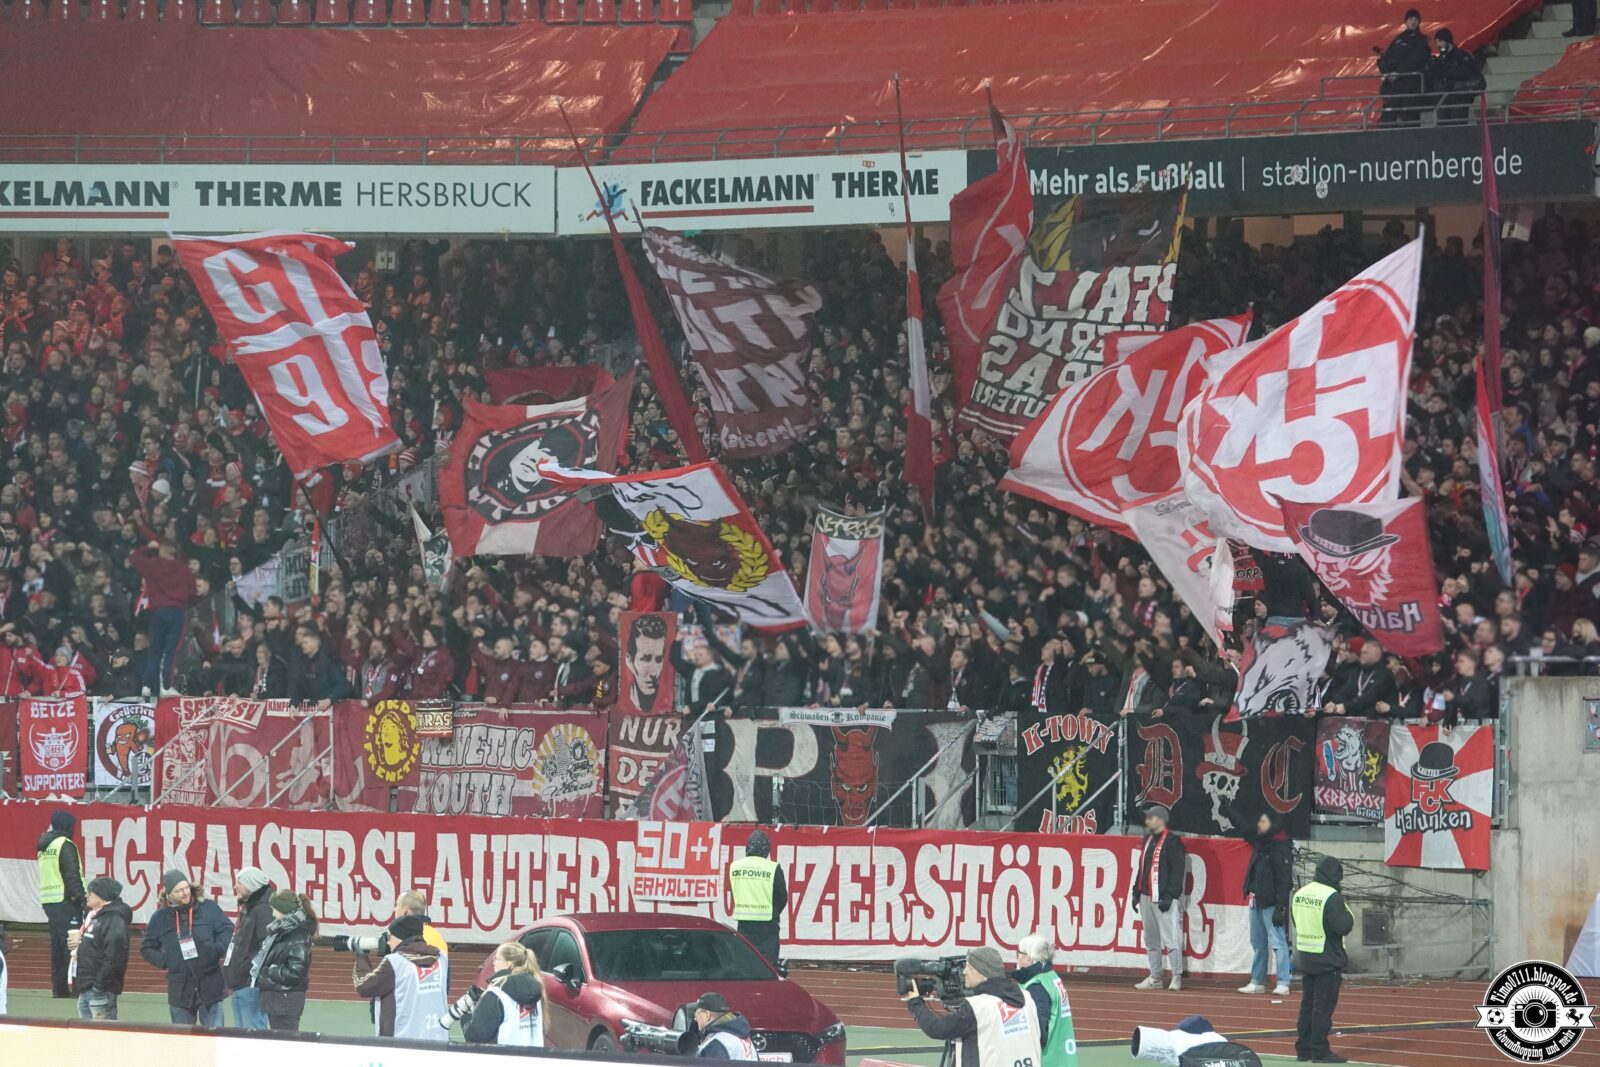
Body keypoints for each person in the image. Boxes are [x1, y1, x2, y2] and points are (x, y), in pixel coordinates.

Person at [903, 947, 1043, 1067]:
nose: (964, 972)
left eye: (969, 967)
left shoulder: (977, 1007)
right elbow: (1042, 1036)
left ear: (982, 973)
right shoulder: (1027, 997)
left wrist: (914, 1002)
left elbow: (936, 1029)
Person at [140, 869, 235, 1026]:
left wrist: (217, 950)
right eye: (178, 890)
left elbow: (226, 929)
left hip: (210, 985)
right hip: (180, 990)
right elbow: (147, 947)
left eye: (186, 888)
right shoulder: (160, 917)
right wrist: (167, 961)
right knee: (182, 1041)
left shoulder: (208, 908)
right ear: (169, 894)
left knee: (214, 1038)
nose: (185, 893)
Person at [1292, 856, 1354, 1064]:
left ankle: (1304, 1049)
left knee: (1307, 1006)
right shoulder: (1332, 896)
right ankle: (1320, 1051)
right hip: (1327, 959)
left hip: (1306, 957)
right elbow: (1343, 926)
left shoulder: (1300, 894)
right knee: (1322, 1008)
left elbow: (1295, 920)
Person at [353, 914, 448, 1041]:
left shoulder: (395, 962)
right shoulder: (441, 958)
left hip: (401, 1043)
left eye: (390, 937)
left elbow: (363, 986)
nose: (388, 941)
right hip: (437, 1039)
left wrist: (361, 958)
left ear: (400, 938)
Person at [1237, 812, 1293, 996]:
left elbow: (1285, 880)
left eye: (1262, 821)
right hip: (1256, 899)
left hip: (1270, 902)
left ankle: (1283, 981)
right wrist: (1229, 810)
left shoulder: (1281, 847)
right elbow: (1244, 829)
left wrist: (1280, 907)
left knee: (1278, 942)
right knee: (1258, 942)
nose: (1258, 825)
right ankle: (1257, 981)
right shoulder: (1260, 844)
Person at [1133, 805, 1187, 991]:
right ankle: (1156, 977)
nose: (1147, 821)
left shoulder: (1172, 842)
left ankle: (1176, 977)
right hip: (1146, 897)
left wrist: (1170, 895)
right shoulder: (1148, 840)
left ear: (1161, 820)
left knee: (1171, 939)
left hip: (1164, 898)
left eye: (1151, 818)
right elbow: (1142, 869)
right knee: (1151, 940)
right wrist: (1136, 893)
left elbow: (1177, 871)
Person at [253, 889, 317, 1032]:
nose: (273, 914)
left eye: (274, 909)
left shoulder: (297, 935)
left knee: (285, 1045)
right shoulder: (284, 931)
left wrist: (270, 970)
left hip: (285, 1002)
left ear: (283, 909)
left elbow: (296, 971)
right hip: (280, 1000)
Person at [37, 809, 86, 998]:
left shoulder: (44, 845)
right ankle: (78, 987)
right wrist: (81, 898)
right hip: (66, 900)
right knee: (73, 945)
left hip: (49, 900)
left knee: (57, 946)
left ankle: (60, 988)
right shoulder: (65, 844)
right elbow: (72, 874)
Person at [69, 877, 131, 1021]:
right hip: (87, 987)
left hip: (99, 990)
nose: (86, 896)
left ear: (101, 896)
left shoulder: (114, 920)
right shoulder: (95, 916)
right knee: (88, 1036)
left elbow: (114, 957)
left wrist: (99, 986)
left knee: (104, 1037)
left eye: (89, 893)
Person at [463, 942, 547, 1047]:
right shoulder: (537, 989)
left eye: (497, 958)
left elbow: (475, 1036)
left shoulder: (497, 994)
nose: (493, 962)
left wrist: (467, 1016)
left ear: (508, 964)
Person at [1015, 933, 1078, 1067]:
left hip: (1047, 1060)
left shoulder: (1036, 986)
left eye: (1019, 953)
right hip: (1062, 1057)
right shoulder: (1051, 977)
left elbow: (1038, 1030)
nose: (1017, 958)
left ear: (1029, 959)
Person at [225, 866, 275, 1029]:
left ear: (251, 884)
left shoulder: (263, 909)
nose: (235, 886)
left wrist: (246, 967)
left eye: (239, 882)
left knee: (254, 1037)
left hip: (251, 985)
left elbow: (266, 947)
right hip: (242, 983)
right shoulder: (251, 907)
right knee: (243, 1037)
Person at [728, 829, 787, 967]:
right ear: (766, 850)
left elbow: (733, 890)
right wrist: (774, 911)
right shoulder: (772, 868)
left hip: (744, 923)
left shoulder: (735, 867)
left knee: (745, 963)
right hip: (767, 924)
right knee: (768, 966)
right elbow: (782, 896)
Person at [1375, 8, 1431, 126]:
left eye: (1415, 19)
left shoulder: (1422, 40)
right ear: (1406, 22)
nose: (1413, 22)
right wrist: (1385, 69)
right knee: (1389, 116)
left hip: (1411, 84)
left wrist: (1399, 72)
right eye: (1410, 19)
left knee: (1409, 118)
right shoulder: (1398, 39)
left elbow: (1416, 59)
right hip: (1395, 85)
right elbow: (1390, 56)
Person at [1427, 28, 1484, 126]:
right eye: (1436, 42)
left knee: (1458, 127)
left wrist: (1447, 72)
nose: (1438, 45)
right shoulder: (1439, 60)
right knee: (1444, 129)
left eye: (1440, 41)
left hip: (1460, 99)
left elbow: (1468, 73)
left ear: (1448, 41)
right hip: (1444, 101)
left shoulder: (1462, 56)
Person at [624, 613, 670, 712]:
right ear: (629, 661)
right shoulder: (623, 701)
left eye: (658, 660)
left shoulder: (669, 702)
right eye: (645, 659)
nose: (654, 673)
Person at [692, 991, 756, 1059]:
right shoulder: (743, 1036)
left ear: (707, 1016)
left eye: (696, 1014)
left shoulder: (716, 1045)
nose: (695, 1018)